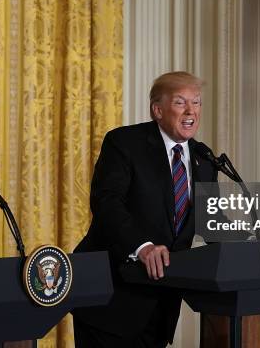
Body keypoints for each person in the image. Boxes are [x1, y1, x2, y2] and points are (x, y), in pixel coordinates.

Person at [73, 71, 219, 347]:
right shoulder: (125, 143)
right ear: (157, 110)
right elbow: (106, 203)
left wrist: (252, 246)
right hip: (110, 301)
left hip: (161, 304)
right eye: (180, 102)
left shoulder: (204, 158)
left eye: (197, 102)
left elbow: (211, 219)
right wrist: (143, 246)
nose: (191, 111)